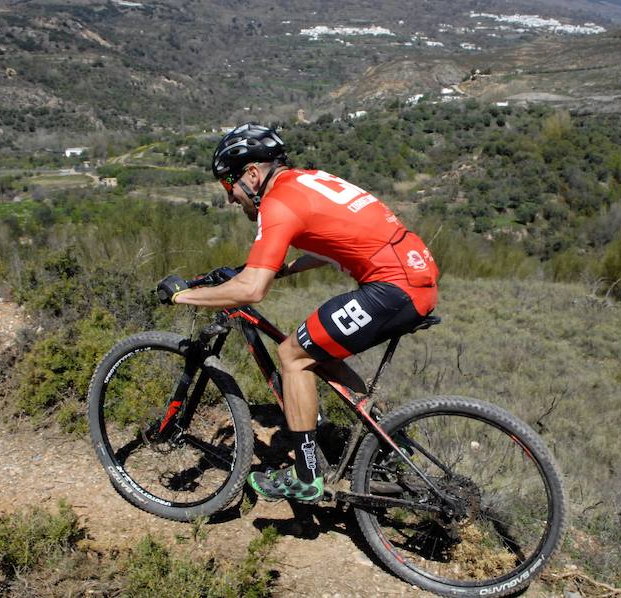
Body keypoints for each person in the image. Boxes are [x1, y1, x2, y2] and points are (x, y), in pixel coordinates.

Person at [156, 123, 439, 503]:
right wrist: (281, 269)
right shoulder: (309, 180)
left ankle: (306, 477)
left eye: (228, 185)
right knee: (317, 350)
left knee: (292, 354)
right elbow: (333, 242)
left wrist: (184, 296)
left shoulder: (278, 203)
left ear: (252, 174)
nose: (229, 198)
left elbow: (252, 290)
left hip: (395, 287)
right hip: (414, 275)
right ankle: (382, 437)